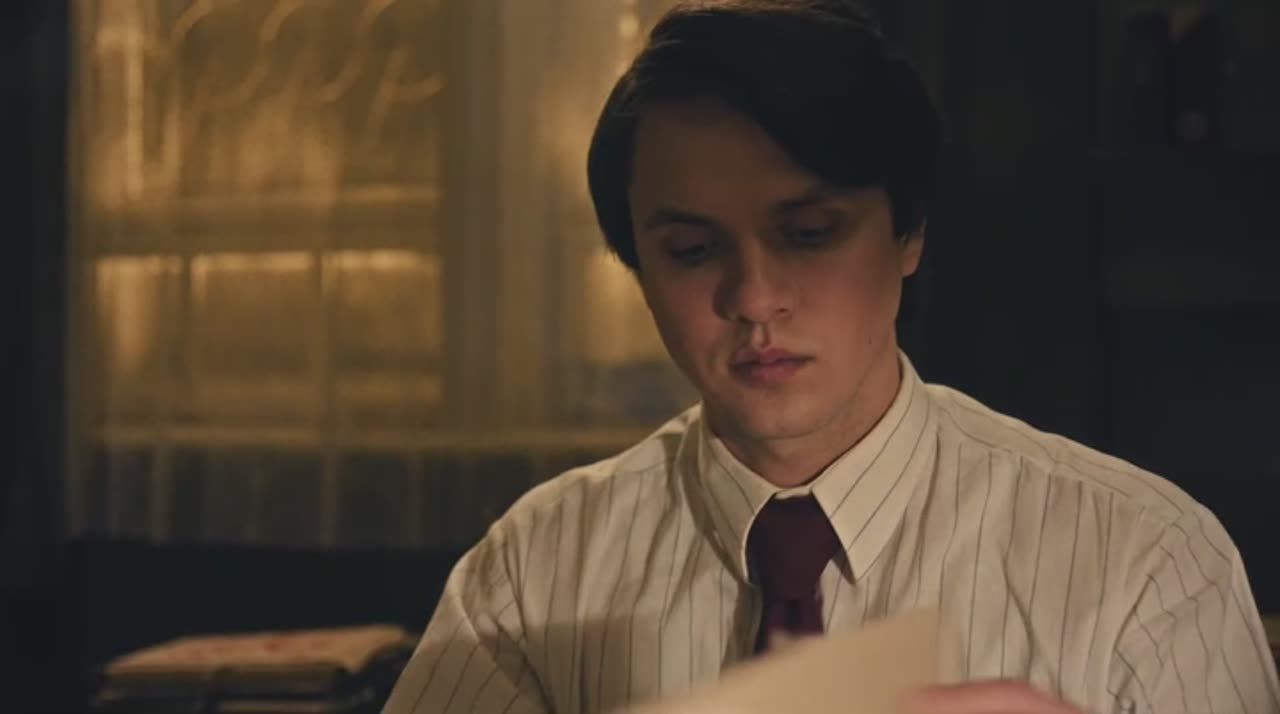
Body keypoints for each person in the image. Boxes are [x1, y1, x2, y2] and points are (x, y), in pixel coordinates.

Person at [382, 1, 1280, 712]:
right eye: (692, 251)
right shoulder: (536, 575)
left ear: (909, 232)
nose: (753, 297)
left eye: (809, 234)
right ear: (638, 270)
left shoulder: (1142, 562)